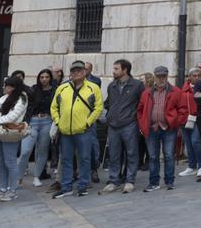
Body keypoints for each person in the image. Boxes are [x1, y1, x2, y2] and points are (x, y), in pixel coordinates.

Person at [51, 61, 103, 199]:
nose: (76, 73)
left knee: (84, 159)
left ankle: (83, 185)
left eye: (79, 70)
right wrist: (58, 122)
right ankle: (66, 186)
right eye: (73, 71)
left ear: (85, 72)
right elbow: (54, 107)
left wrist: (88, 122)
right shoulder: (62, 88)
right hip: (65, 131)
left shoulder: (93, 88)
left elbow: (98, 108)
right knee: (66, 159)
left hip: (83, 131)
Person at [136, 66, 187, 192]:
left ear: (167, 76)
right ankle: (154, 182)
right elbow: (140, 110)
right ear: (155, 77)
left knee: (169, 155)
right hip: (152, 128)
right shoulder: (147, 92)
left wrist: (176, 122)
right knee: (153, 156)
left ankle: (169, 181)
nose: (161, 79)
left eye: (163, 76)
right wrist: (142, 124)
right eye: (159, 76)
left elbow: (183, 109)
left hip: (169, 128)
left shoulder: (175, 91)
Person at [101, 59, 144, 194]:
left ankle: (130, 181)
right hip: (113, 125)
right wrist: (109, 117)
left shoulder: (137, 85)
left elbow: (142, 104)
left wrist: (136, 119)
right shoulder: (111, 86)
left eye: (116, 69)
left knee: (131, 153)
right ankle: (114, 180)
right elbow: (108, 103)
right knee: (113, 155)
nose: (113, 71)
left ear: (125, 70)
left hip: (129, 124)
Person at [0, 77, 27, 202]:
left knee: (11, 162)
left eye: (7, 86)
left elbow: (13, 116)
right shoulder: (3, 98)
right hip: (0, 132)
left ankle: (12, 190)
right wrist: (2, 116)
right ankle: (3, 188)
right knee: (0, 163)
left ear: (14, 87)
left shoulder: (22, 99)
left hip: (10, 133)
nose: (4, 88)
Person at [18, 69, 55, 188]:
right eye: (42, 77)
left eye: (46, 77)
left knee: (42, 151)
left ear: (50, 78)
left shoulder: (55, 90)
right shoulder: (33, 89)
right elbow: (25, 105)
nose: (44, 79)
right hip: (33, 121)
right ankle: (18, 177)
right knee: (25, 151)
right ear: (39, 78)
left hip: (47, 121)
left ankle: (36, 177)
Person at [179, 68, 201, 178]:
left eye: (199, 75)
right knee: (188, 144)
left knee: (195, 142)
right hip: (185, 119)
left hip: (198, 119)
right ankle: (191, 166)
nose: (197, 77)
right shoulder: (183, 88)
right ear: (189, 77)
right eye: (194, 75)